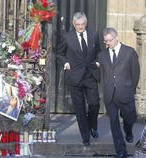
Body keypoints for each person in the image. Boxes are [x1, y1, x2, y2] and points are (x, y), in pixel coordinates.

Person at [58, 12, 101, 146]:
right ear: (73, 24)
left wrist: (99, 61)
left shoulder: (94, 35)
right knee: (80, 109)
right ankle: (86, 137)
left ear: (86, 23)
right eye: (77, 25)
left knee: (94, 104)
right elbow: (60, 54)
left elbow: (99, 51)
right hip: (74, 77)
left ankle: (92, 125)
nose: (80, 27)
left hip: (90, 75)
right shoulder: (67, 37)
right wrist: (65, 63)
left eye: (82, 24)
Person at [98, 27, 140, 158]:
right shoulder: (102, 55)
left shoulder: (129, 52)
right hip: (110, 94)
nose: (107, 43)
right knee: (114, 122)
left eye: (110, 40)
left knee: (129, 118)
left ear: (116, 38)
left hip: (125, 91)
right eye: (105, 41)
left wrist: (130, 89)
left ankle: (128, 131)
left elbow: (135, 74)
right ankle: (121, 150)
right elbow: (102, 74)